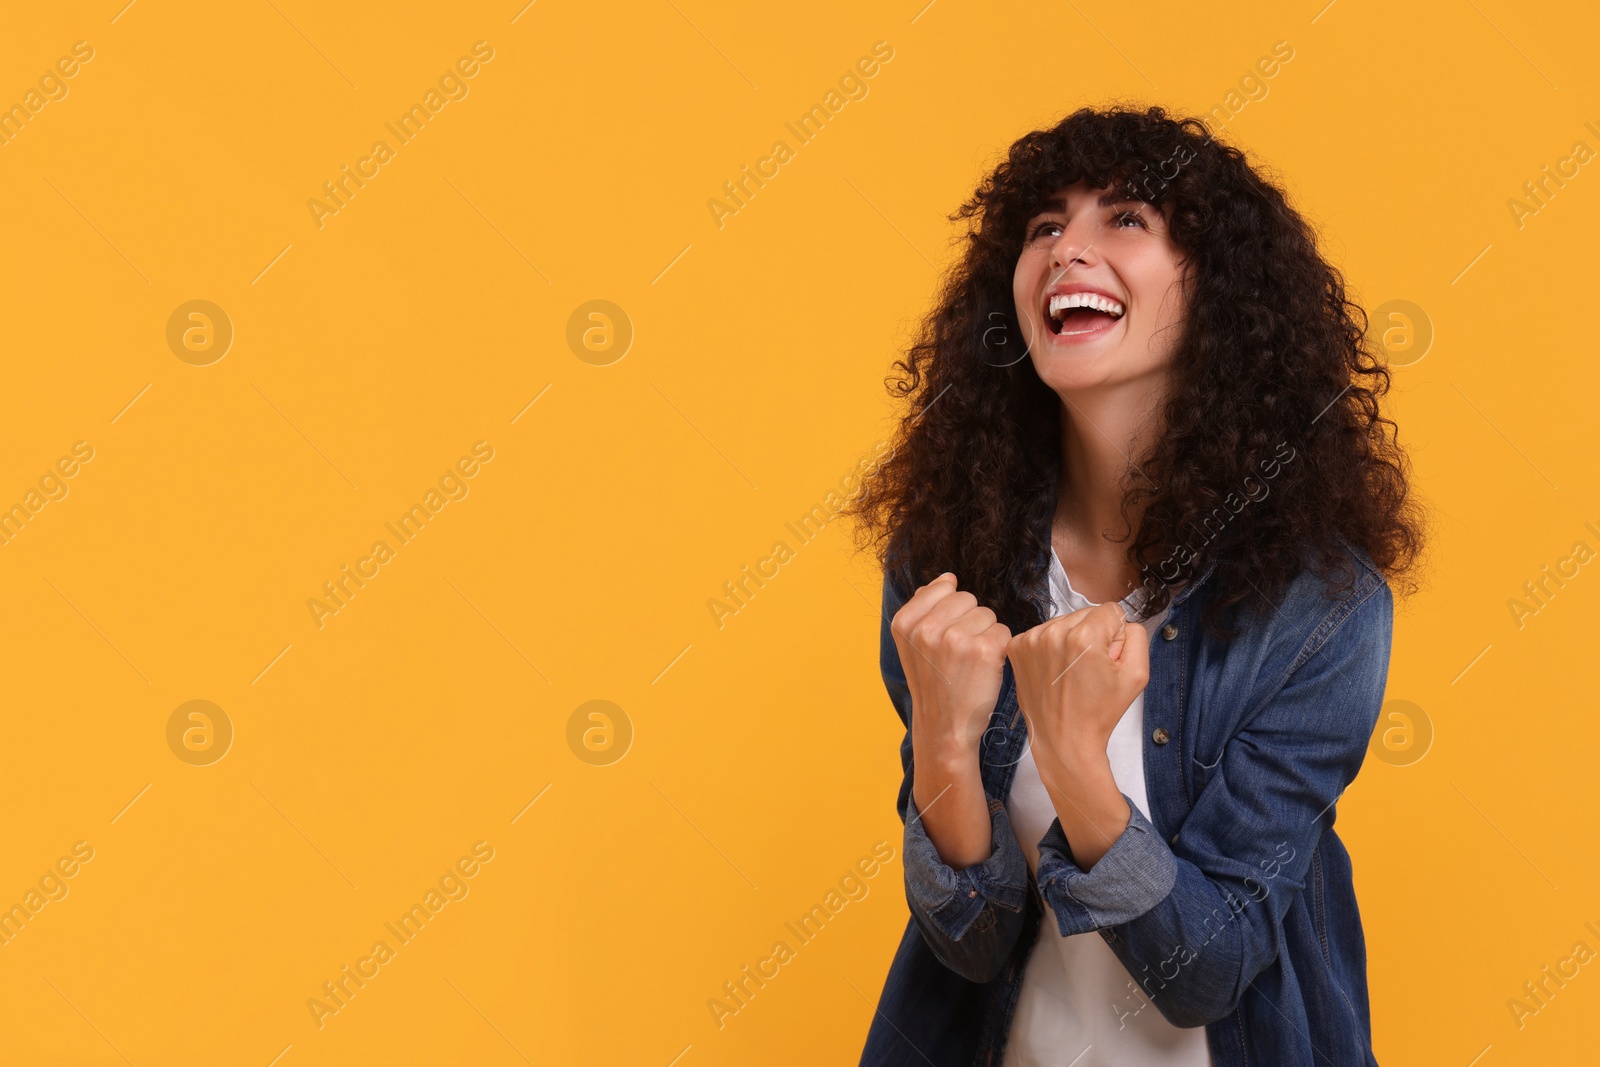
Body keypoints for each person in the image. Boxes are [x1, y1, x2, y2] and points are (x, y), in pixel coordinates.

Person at [839, 105, 1428, 1066]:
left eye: (1124, 219)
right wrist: (944, 745)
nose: (1068, 248)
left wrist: (1077, 764)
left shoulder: (1320, 607)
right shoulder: (946, 565)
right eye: (1043, 228)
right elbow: (969, 943)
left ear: (1219, 291)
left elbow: (1210, 968)